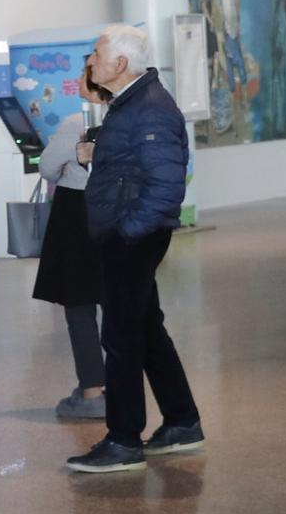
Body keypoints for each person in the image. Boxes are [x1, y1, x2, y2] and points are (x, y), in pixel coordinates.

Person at [65, 25, 204, 474]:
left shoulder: (149, 109)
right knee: (146, 329)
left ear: (120, 64)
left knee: (121, 337)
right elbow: (133, 164)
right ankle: (182, 422)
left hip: (133, 237)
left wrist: (128, 232)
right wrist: (96, 153)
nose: (92, 60)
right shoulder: (130, 105)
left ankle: (123, 440)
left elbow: (165, 186)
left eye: (99, 53)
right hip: (128, 233)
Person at [34, 109, 104, 421]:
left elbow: (48, 168)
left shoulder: (75, 122)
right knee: (117, 305)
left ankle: (92, 393)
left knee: (79, 306)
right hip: (117, 211)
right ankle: (119, 388)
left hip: (76, 215)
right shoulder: (130, 115)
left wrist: (68, 166)